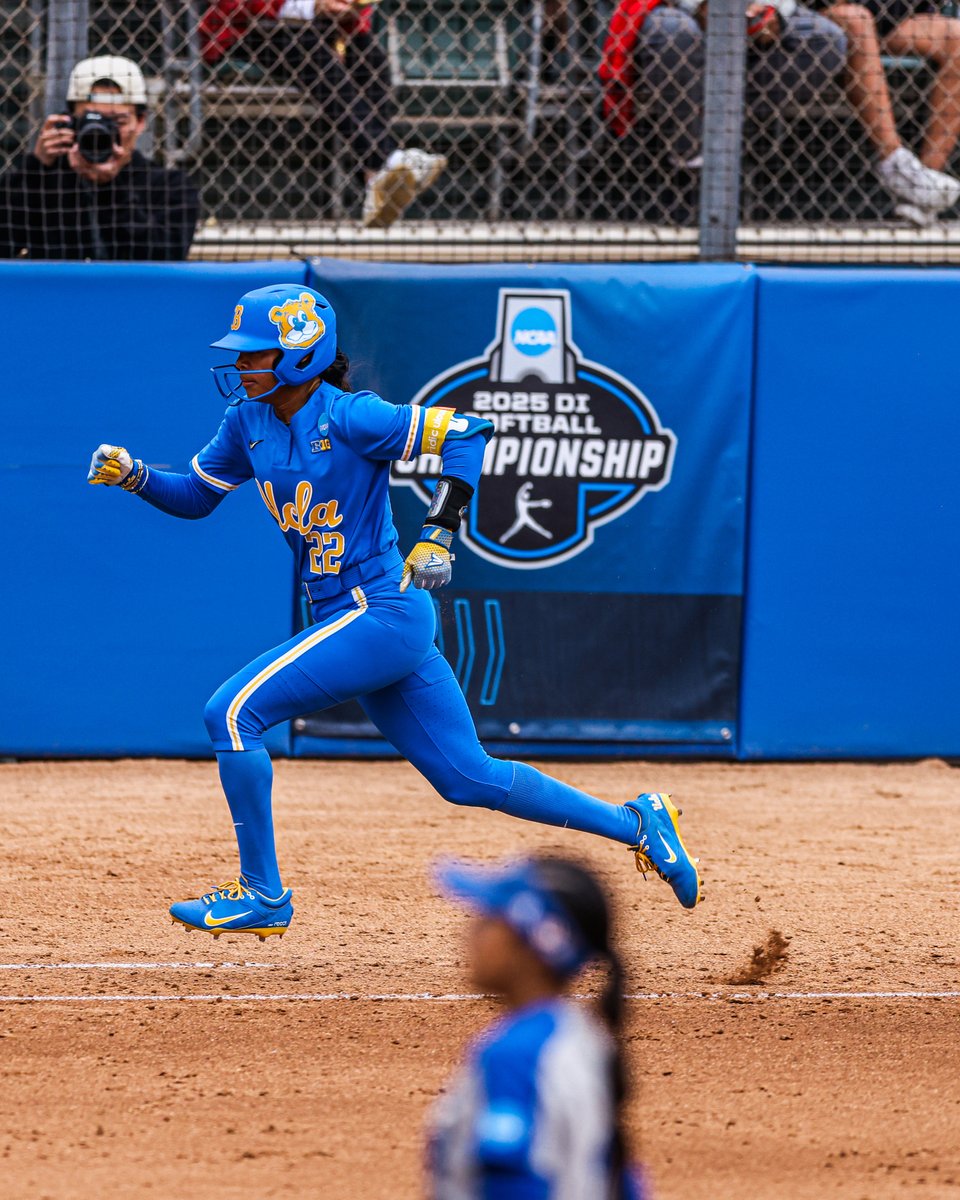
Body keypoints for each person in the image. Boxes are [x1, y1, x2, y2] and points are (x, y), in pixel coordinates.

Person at [87, 282, 702, 941]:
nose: (240, 367)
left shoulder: (351, 415)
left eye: (254, 355)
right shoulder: (247, 422)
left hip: (381, 609)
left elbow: (467, 433)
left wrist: (439, 531)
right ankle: (637, 822)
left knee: (233, 713)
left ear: (300, 356)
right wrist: (137, 478)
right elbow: (195, 496)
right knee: (468, 777)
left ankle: (263, 893)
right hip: (351, 617)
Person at [427, 855, 648, 1199]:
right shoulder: (585, 1039)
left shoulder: (516, 1056)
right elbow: (619, 1176)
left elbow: (513, 1187)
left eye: (489, 919)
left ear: (532, 942)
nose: (470, 931)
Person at [198, 0, 447, 226]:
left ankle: (375, 179)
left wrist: (348, 11)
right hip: (244, 27)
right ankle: (387, 161)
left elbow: (356, 16)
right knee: (308, 47)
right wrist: (313, 7)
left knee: (370, 58)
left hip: (312, 30)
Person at [608, 0, 848, 172]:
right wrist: (699, 6)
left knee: (825, 39)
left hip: (753, 8)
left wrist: (770, 10)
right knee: (675, 32)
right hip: (674, 8)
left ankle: (730, 143)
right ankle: (689, 158)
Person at [0, 55, 199, 260]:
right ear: (71, 120)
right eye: (92, 121)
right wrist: (36, 167)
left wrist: (111, 188)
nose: (102, 131)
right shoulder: (45, 180)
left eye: (116, 121)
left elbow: (167, 255)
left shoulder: (169, 185)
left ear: (140, 122)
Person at [809, 0, 960, 223]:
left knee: (957, 37)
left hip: (896, 18)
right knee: (857, 20)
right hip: (835, 14)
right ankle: (894, 162)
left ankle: (924, 186)